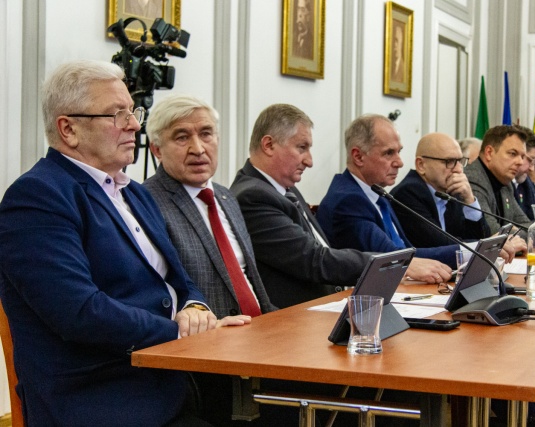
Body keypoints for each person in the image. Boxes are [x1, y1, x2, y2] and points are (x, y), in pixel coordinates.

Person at [0, 60, 249, 426]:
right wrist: (179, 330)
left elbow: (180, 281)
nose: (134, 124)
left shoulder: (135, 193)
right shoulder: (37, 196)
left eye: (133, 111)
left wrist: (195, 308)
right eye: (117, 114)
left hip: (169, 385)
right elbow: (80, 312)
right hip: (101, 401)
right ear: (69, 129)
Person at [230, 104, 451, 309]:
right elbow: (313, 259)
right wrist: (398, 264)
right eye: (302, 148)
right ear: (268, 145)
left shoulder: (285, 189)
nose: (310, 161)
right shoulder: (253, 196)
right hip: (294, 319)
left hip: (327, 305)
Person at [144, 94, 276, 318]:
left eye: (206, 134)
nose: (198, 149)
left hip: (262, 326)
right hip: (210, 334)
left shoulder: (226, 197)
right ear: (157, 149)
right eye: (182, 137)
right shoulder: (147, 202)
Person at [316, 114, 463, 270]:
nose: (400, 162)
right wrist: (466, 252)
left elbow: (406, 250)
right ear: (358, 157)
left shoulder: (377, 193)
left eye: (399, 152)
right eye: (389, 153)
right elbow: (392, 259)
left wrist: (469, 250)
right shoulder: (348, 201)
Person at [390, 132, 491, 247]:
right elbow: (439, 244)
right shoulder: (407, 193)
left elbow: (480, 238)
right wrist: (483, 245)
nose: (458, 169)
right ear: (421, 165)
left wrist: (469, 200)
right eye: (449, 162)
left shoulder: (452, 191)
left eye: (460, 161)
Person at [464, 125, 533, 235]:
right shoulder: (472, 178)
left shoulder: (505, 183)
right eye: (513, 154)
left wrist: (513, 232)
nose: (520, 162)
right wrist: (514, 231)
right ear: (489, 153)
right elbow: (491, 232)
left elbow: (527, 226)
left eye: (522, 156)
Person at [512, 126, 535, 220]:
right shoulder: (502, 183)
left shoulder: (526, 183)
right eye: (530, 160)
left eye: (534, 163)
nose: (532, 169)